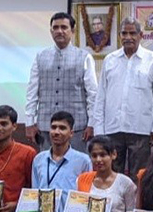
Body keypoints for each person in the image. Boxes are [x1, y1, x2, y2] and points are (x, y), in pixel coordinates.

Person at [93, 17, 153, 177]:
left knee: (140, 177)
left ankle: (138, 203)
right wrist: (98, 129)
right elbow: (101, 98)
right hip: (112, 129)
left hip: (141, 130)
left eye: (132, 33)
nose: (128, 37)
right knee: (111, 176)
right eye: (124, 33)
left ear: (141, 35)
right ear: (119, 36)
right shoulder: (110, 60)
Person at [25, 12, 98, 152]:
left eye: (64, 27)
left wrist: (92, 124)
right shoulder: (40, 57)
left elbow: (93, 94)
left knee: (77, 167)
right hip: (46, 127)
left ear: (73, 31)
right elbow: (32, 91)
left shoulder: (84, 57)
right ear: (51, 31)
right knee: (48, 167)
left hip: (77, 128)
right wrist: (29, 122)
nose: (59, 31)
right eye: (56, 27)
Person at [30, 111, 92, 212]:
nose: (56, 132)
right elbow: (34, 192)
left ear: (71, 133)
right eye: (53, 127)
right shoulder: (38, 159)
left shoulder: (83, 161)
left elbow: (86, 196)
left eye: (62, 128)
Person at [74, 136, 137, 212]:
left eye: (103, 155)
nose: (98, 160)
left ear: (114, 154)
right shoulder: (82, 180)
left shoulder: (125, 183)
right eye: (94, 156)